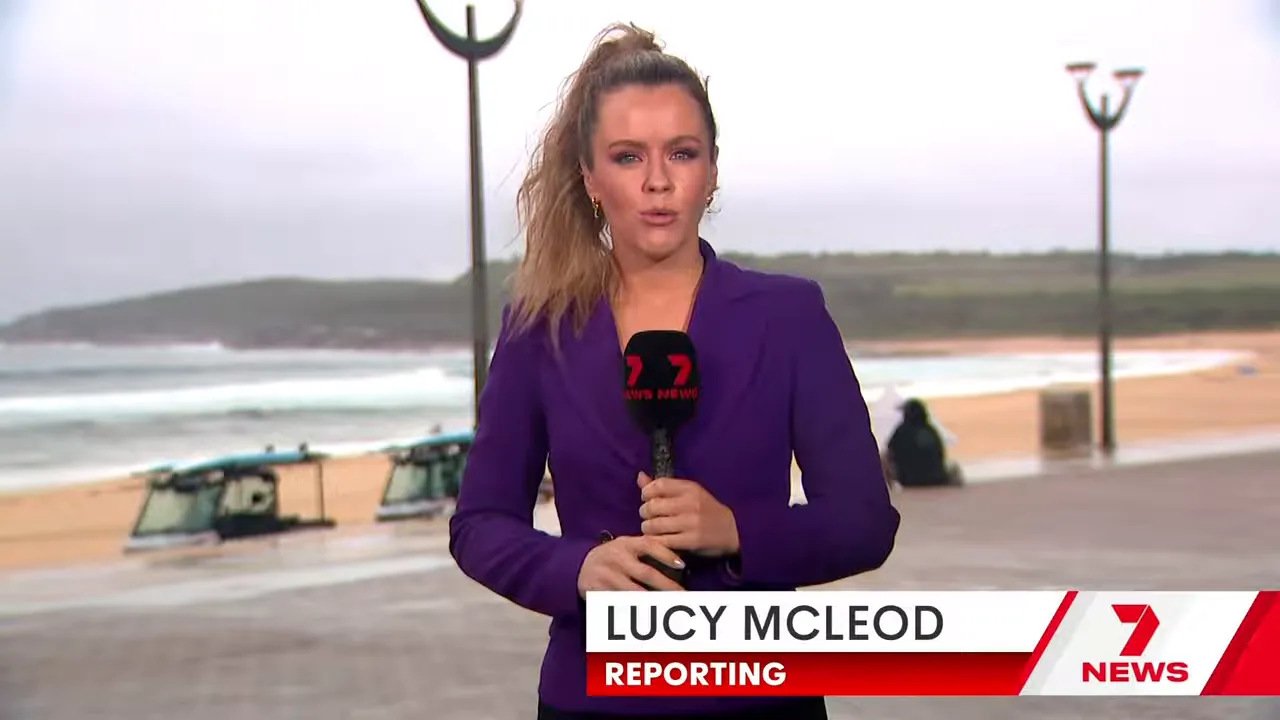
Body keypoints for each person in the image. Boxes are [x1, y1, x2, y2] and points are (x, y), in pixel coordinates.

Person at [449, 23, 900, 719]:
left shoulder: (789, 317)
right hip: (592, 700)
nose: (658, 182)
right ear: (590, 178)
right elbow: (479, 522)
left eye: (681, 153)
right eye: (628, 157)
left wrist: (739, 531)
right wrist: (575, 569)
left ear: (712, 170)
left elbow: (866, 523)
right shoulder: (541, 326)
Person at [885, 398, 957, 488]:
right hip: (936, 478)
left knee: (883, 457)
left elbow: (889, 452)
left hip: (909, 480)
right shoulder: (931, 431)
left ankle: (890, 489)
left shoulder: (901, 432)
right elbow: (940, 455)